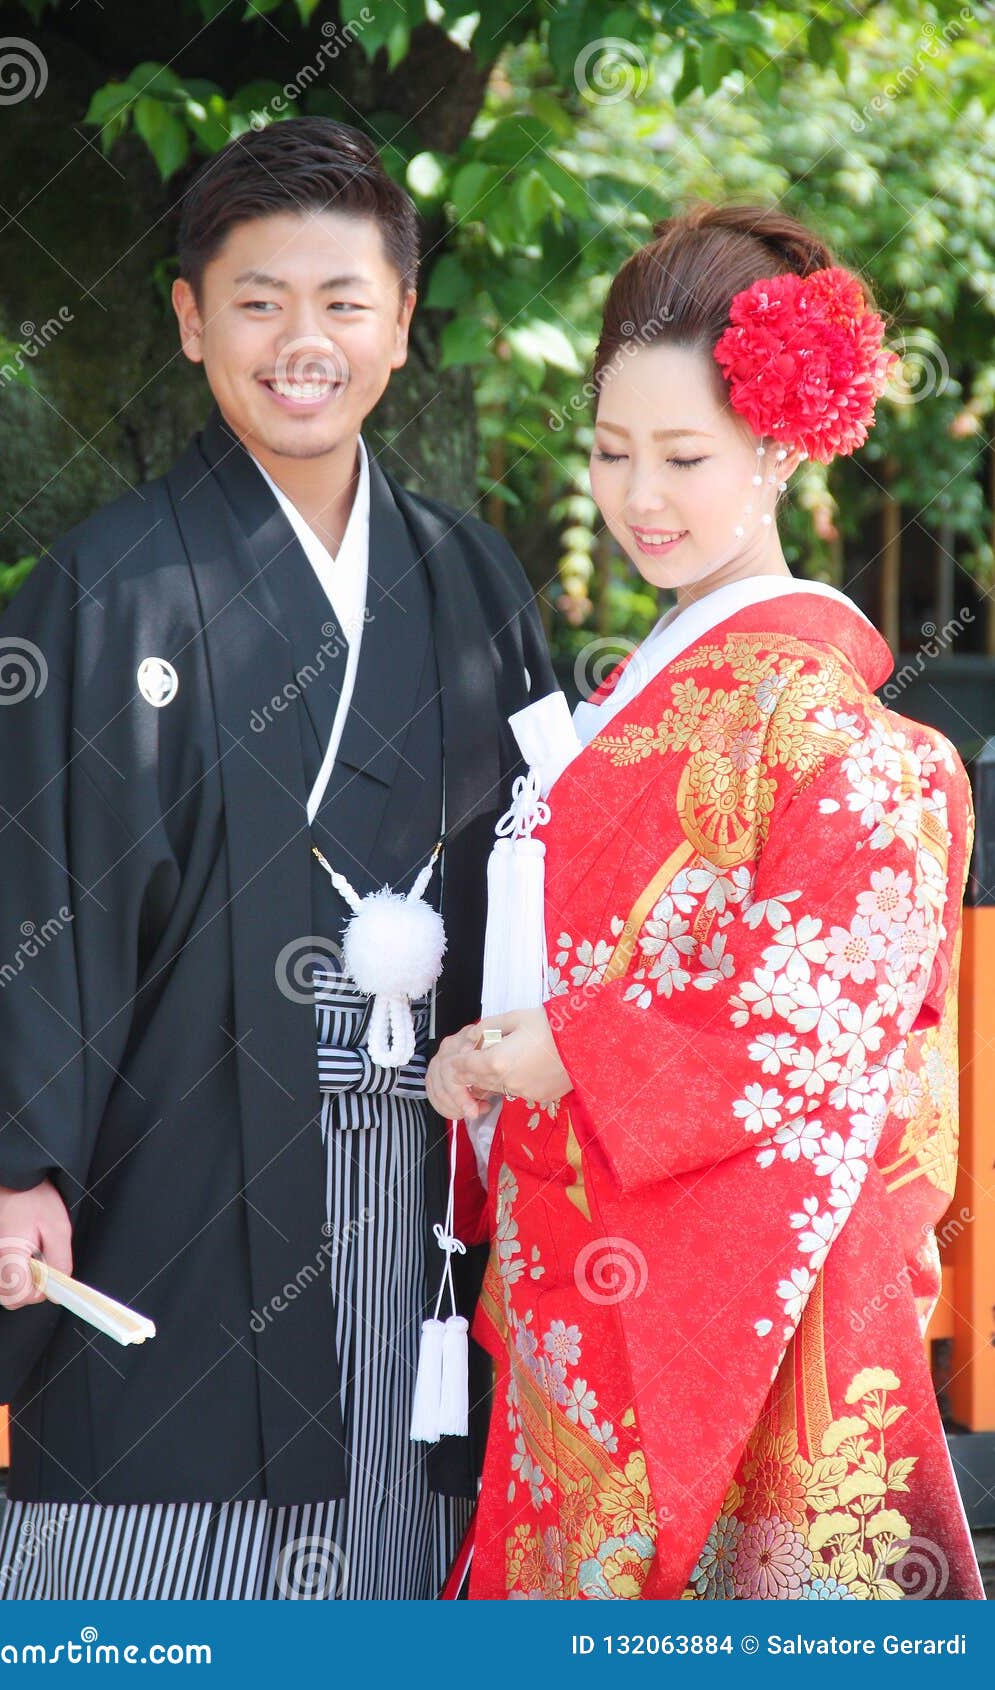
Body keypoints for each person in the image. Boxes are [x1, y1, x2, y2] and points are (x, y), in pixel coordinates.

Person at [0, 116, 557, 1600]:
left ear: (403, 321)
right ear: (190, 316)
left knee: (402, 1502)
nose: (304, 340)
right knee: (153, 1523)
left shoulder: (467, 581)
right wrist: (17, 1160)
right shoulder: (108, 590)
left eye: (344, 302)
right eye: (260, 299)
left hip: (416, 1143)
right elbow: (26, 879)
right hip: (179, 1159)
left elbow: (543, 865)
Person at [428, 203, 985, 1601]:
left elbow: (823, 1005)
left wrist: (572, 1049)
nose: (641, 497)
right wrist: (505, 1056)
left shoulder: (829, 722)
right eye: (613, 454)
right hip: (593, 1277)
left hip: (737, 1294)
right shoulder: (649, 685)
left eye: (685, 457)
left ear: (779, 449)